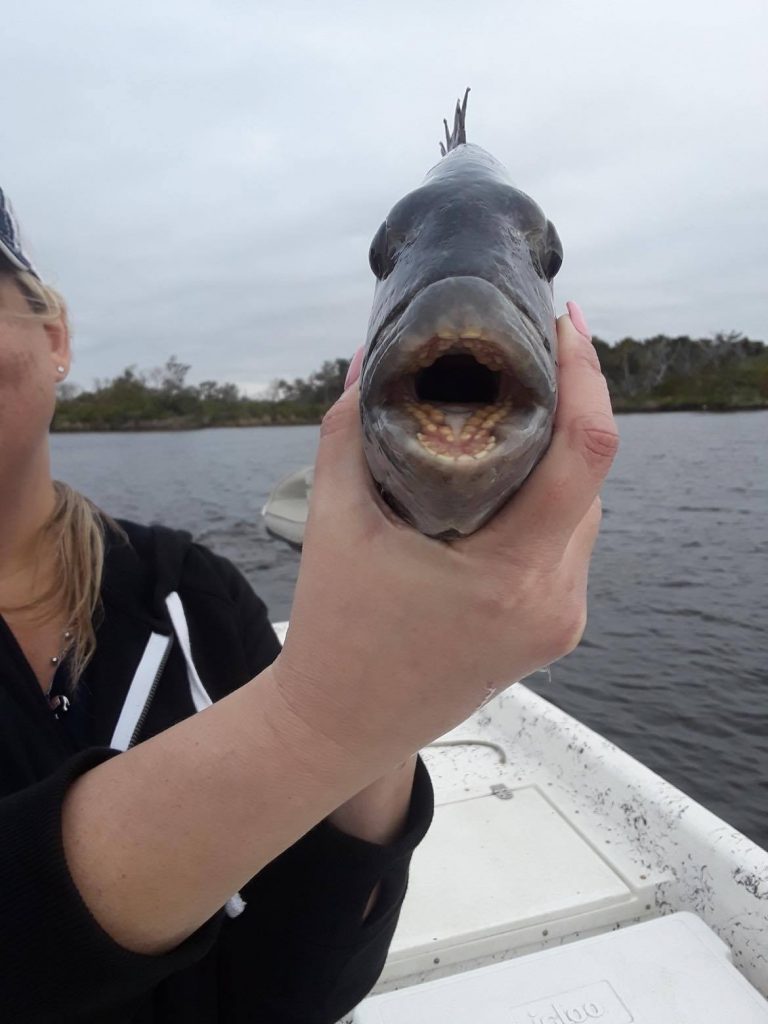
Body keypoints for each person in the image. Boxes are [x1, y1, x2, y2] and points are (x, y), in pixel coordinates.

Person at [0, 186, 618, 1024]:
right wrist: (325, 720)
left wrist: (385, 694)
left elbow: (294, 987)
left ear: (54, 337)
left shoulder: (194, 592)